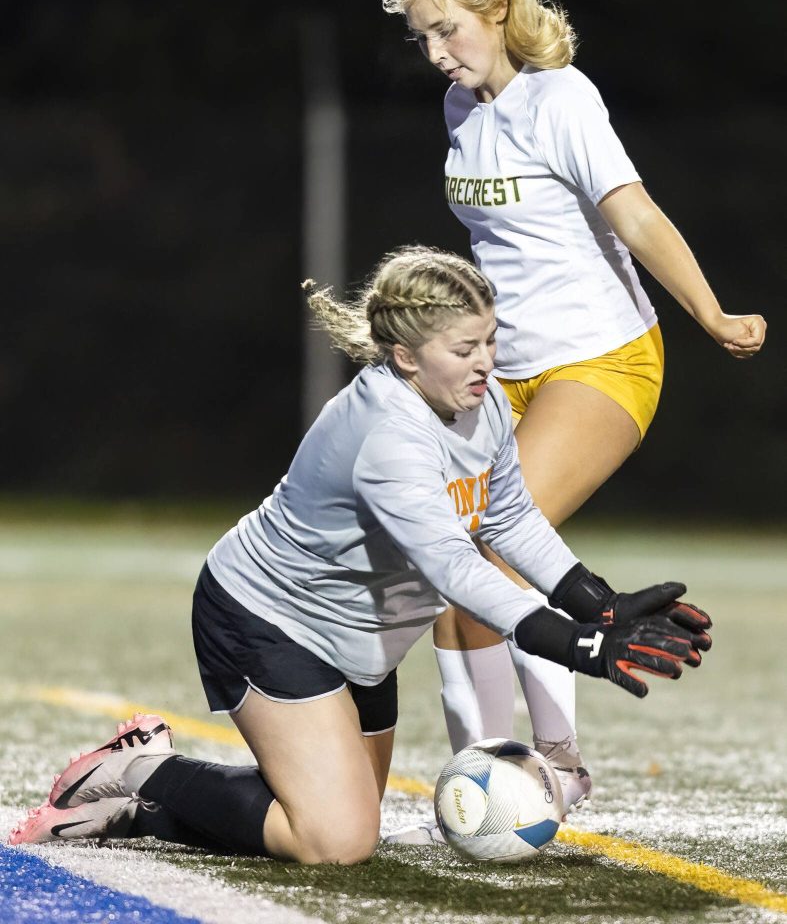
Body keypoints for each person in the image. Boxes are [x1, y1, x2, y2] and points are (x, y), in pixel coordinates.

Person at [9, 247, 710, 862]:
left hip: (364, 636)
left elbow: (507, 516)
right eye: (464, 348)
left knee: (340, 818)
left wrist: (598, 601)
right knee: (335, 842)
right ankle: (142, 776)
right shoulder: (387, 434)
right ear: (404, 356)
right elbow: (456, 570)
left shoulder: (480, 401)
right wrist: (578, 646)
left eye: (490, 341)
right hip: (272, 621)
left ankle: (150, 808)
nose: (486, 362)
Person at [381, 0, 765, 841]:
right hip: (503, 374)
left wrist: (711, 314)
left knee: (489, 564)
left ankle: (549, 770)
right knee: (451, 577)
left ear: (499, 8)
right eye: (422, 37)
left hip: (601, 358)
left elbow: (632, 214)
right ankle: (490, 783)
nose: (436, 53)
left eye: (448, 30)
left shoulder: (562, 100)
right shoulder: (460, 112)